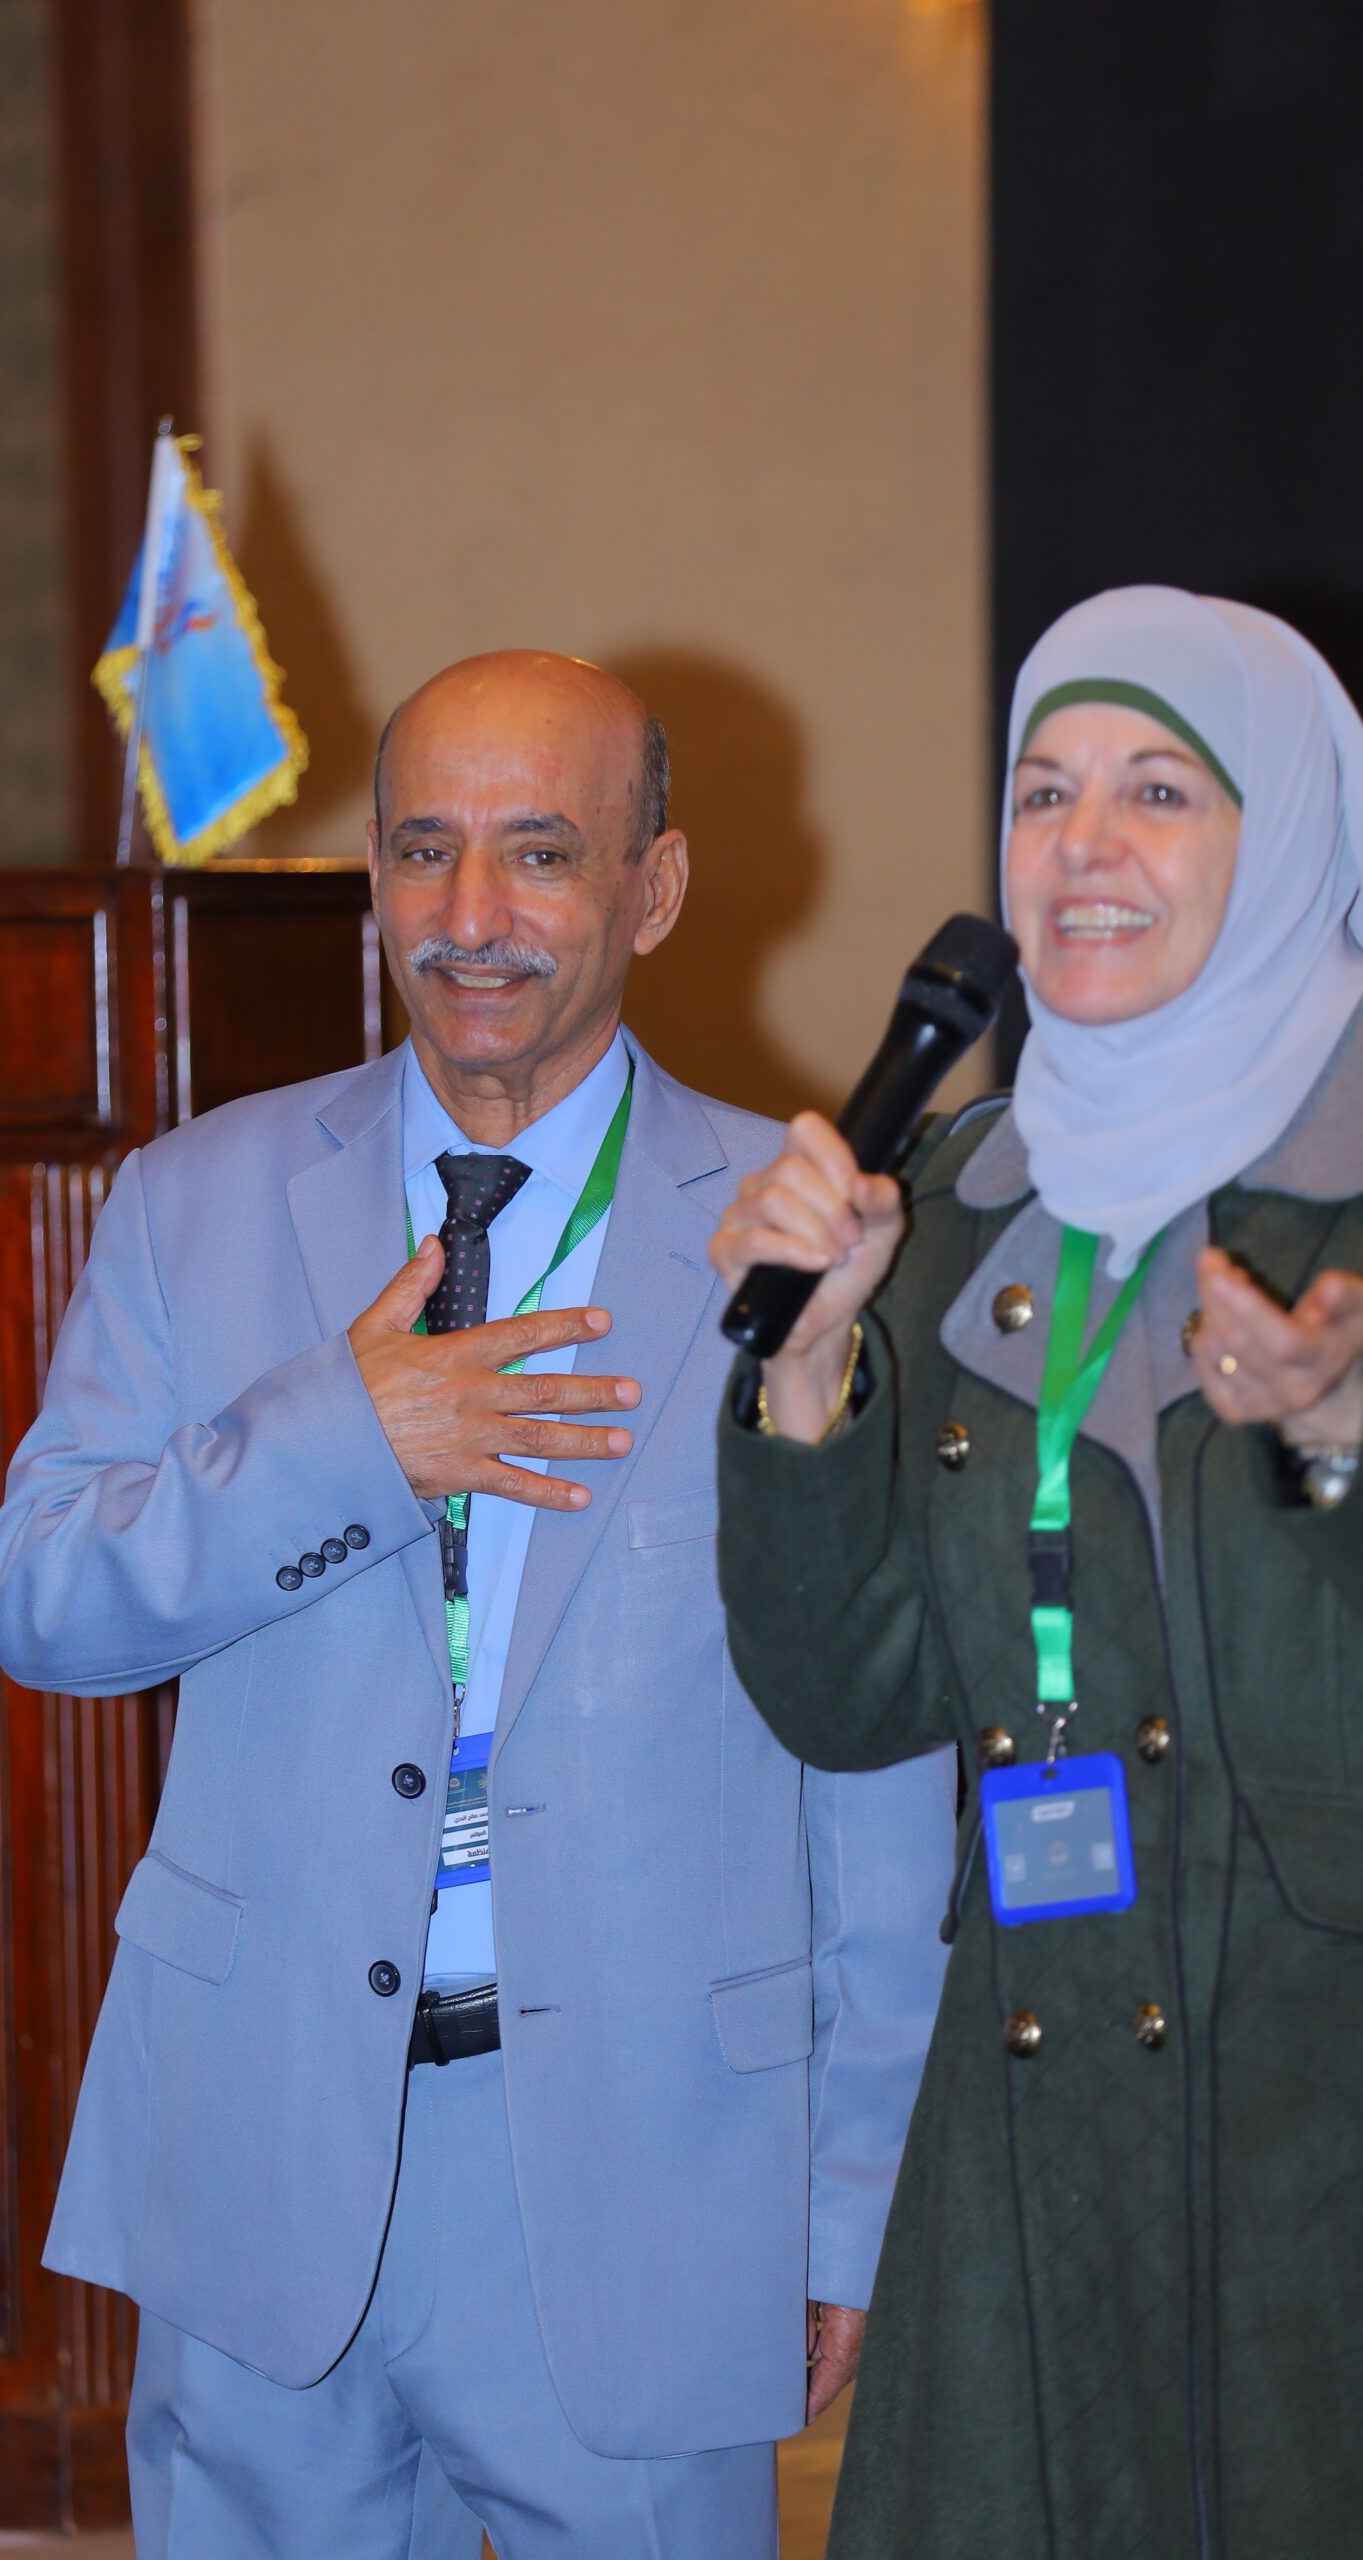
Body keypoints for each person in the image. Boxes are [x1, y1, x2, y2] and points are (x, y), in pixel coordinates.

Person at [0, 651, 954, 2560]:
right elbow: (38, 1603)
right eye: (424, 850)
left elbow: (880, 1761)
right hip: (261, 2155)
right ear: (373, 874)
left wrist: (852, 2201)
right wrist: (344, 1440)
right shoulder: (193, 1199)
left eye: (540, 852)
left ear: (655, 888)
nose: (471, 914)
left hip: (649, 2168)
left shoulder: (804, 1229)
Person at [711, 586, 1363, 2559]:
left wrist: (1331, 1448)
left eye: (1159, 791)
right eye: (1041, 790)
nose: (1081, 848)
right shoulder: (960, 1196)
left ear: (1293, 830)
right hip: (1031, 2106)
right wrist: (812, 1365)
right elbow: (852, 1696)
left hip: (1317, 2111)